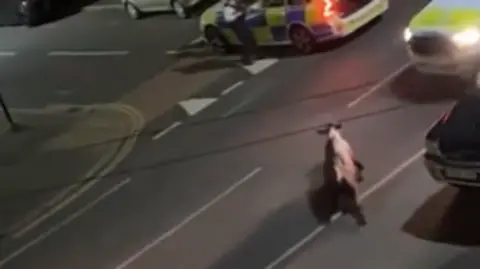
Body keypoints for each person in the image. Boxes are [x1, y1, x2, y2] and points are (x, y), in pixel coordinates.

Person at [320, 122, 367, 226]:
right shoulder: (344, 143)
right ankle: (356, 209)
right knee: (352, 191)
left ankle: (332, 213)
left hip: (341, 173)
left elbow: (333, 161)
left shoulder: (331, 146)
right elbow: (351, 156)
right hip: (349, 171)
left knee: (336, 194)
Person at [222, 0, 257, 65]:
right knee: (247, 40)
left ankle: (250, 56)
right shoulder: (228, 6)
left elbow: (242, 8)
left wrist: (242, 10)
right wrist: (238, 12)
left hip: (240, 21)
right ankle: (247, 60)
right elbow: (229, 18)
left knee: (251, 39)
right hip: (236, 23)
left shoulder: (234, 3)